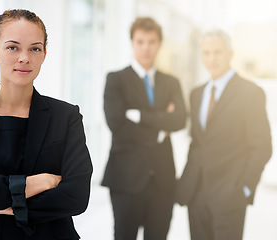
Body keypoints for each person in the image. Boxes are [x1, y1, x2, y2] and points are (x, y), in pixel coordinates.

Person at [0, 9, 93, 240]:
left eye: (34, 48)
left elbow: (76, 196)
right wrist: (41, 181)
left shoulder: (66, 117)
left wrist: (1, 201)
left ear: (44, 54)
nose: (24, 57)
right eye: (13, 47)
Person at [176, 30, 272, 240]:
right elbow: (197, 142)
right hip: (197, 196)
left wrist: (245, 188)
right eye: (207, 53)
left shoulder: (250, 93)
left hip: (230, 197)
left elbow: (262, 146)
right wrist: (186, 184)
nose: (212, 59)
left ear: (230, 54)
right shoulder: (197, 93)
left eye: (217, 52)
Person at [101, 17, 187, 240]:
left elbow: (179, 120)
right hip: (126, 178)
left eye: (151, 42)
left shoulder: (171, 83)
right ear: (132, 43)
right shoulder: (116, 80)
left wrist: (139, 116)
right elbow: (117, 123)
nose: (146, 48)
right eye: (140, 42)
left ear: (159, 44)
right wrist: (160, 129)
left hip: (163, 180)